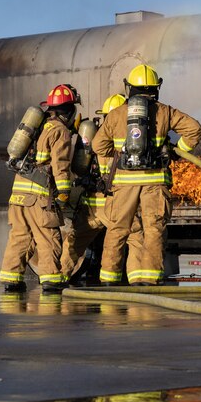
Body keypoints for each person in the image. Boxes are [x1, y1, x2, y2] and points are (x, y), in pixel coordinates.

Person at [92, 65, 201, 286]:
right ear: (156, 87)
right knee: (153, 229)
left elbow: (98, 146)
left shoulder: (116, 114)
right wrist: (174, 150)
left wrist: (118, 152)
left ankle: (108, 279)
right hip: (155, 182)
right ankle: (149, 279)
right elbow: (195, 130)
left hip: (123, 184)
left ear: (129, 87)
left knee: (117, 229)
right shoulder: (165, 111)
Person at [0, 85, 78, 293]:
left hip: (18, 194)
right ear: (69, 111)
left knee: (19, 237)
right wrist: (63, 193)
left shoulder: (38, 126)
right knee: (47, 236)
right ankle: (51, 279)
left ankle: (11, 279)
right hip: (39, 197)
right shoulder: (60, 131)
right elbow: (60, 165)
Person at [60, 94, 145, 284]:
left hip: (90, 204)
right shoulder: (125, 139)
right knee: (136, 237)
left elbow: (79, 168)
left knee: (75, 242)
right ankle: (138, 281)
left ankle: (57, 277)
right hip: (113, 203)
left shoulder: (94, 136)